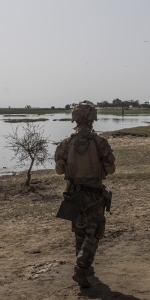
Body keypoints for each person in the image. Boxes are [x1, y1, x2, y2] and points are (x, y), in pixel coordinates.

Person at [54, 102, 116, 288]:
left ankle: (85, 269)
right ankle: (81, 268)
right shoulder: (100, 143)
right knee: (94, 233)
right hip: (94, 195)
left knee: (79, 232)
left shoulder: (65, 144)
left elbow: (59, 171)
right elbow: (111, 169)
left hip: (73, 194)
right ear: (92, 119)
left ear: (75, 118)